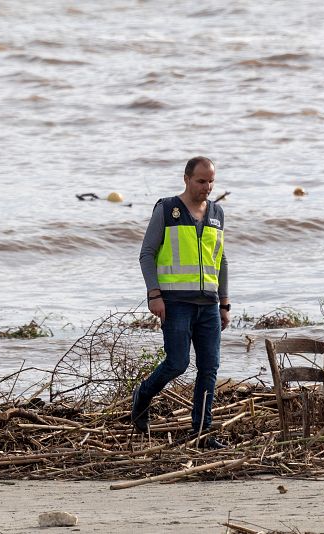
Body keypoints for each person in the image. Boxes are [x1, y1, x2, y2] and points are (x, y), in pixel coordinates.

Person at [132, 156, 230, 448]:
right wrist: (154, 294)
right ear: (186, 179)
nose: (207, 187)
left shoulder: (217, 213)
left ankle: (201, 432)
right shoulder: (167, 209)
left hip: (209, 304)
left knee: (209, 367)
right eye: (201, 181)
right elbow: (147, 254)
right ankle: (143, 394)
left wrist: (224, 303)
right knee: (177, 363)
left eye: (211, 181)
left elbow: (221, 259)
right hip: (175, 302)